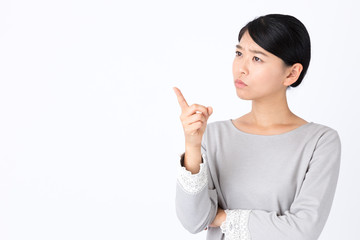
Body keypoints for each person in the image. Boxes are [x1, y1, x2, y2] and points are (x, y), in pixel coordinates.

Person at [172, 13, 341, 240]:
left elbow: (303, 232)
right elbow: (194, 221)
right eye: (239, 53)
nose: (241, 68)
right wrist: (192, 146)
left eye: (257, 59)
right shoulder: (214, 135)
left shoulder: (320, 141)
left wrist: (223, 218)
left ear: (291, 73)